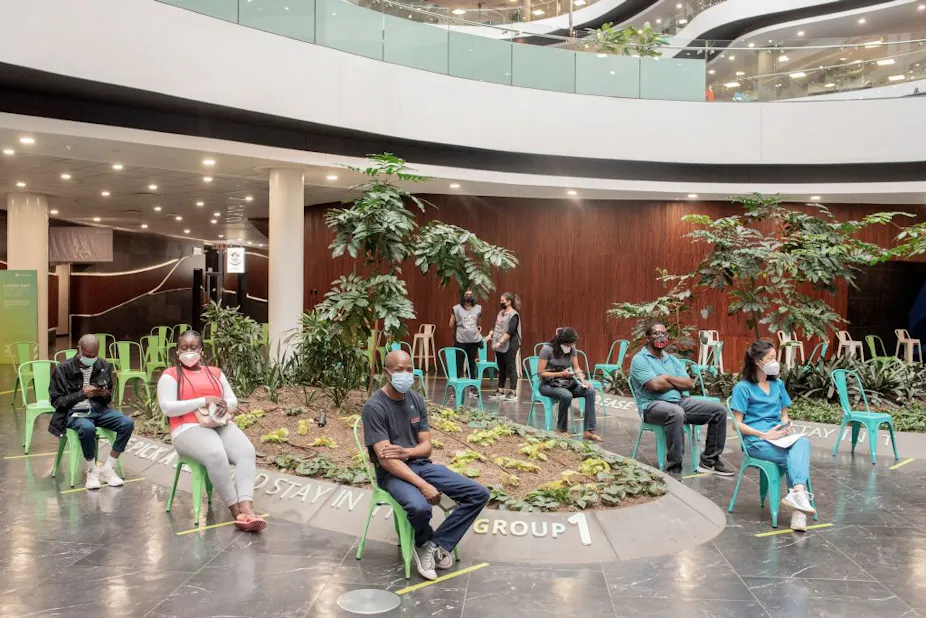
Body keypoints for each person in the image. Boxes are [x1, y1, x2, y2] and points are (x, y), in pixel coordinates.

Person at [363, 350, 490, 581]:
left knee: (478, 493)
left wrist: (407, 452)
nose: (405, 375)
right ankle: (423, 541)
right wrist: (423, 485)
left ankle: (433, 545)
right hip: (391, 473)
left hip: (421, 464)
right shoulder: (375, 407)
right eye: (399, 370)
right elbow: (386, 459)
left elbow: (426, 447)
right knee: (420, 508)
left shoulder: (416, 400)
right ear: (386, 372)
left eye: (409, 370)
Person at [157, 330, 266, 532]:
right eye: (184, 348)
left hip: (218, 422)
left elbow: (233, 401)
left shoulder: (215, 373)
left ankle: (247, 507)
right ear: (177, 351)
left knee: (246, 452)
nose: (189, 352)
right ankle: (237, 512)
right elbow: (167, 407)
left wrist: (224, 404)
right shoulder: (170, 375)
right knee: (216, 454)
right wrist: (203, 400)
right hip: (186, 428)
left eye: (193, 347)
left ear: (202, 350)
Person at [731, 340, 816, 531]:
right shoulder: (743, 388)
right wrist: (764, 434)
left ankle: (797, 495)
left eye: (775, 357)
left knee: (802, 442)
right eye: (770, 358)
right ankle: (799, 512)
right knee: (795, 460)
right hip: (756, 441)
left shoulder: (778, 384)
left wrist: (786, 425)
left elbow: (784, 414)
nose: (775, 362)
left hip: (779, 437)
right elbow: (736, 425)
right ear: (757, 361)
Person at [629, 323, 734, 476]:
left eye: (664, 333)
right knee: (675, 412)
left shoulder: (671, 359)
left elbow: (689, 384)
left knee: (719, 411)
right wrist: (675, 383)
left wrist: (666, 377)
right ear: (647, 338)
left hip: (680, 401)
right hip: (651, 406)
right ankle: (674, 468)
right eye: (657, 334)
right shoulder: (640, 359)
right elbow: (654, 386)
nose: (662, 337)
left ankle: (709, 461)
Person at [49, 334, 135, 490]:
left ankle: (108, 467)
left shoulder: (103, 365)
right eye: (87, 355)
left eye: (94, 356)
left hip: (98, 410)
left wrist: (104, 394)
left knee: (127, 423)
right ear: (79, 349)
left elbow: (108, 398)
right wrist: (83, 394)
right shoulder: (63, 369)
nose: (91, 359)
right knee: (87, 428)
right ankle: (92, 470)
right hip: (73, 413)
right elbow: (57, 402)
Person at [536, 327, 602, 442]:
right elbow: (540, 373)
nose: (571, 346)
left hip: (566, 383)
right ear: (562, 342)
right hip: (548, 384)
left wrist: (583, 381)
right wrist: (560, 374)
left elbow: (576, 368)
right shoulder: (547, 349)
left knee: (590, 391)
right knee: (566, 395)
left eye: (573, 344)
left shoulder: (572, 349)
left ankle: (589, 431)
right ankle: (561, 430)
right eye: (569, 344)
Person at [487, 292, 521, 401]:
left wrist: (500, 342)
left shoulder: (514, 315)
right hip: (499, 343)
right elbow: (495, 326)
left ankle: (513, 392)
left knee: (511, 367)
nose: (501, 302)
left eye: (503, 301)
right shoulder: (501, 313)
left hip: (510, 344)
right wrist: (490, 335)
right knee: (501, 367)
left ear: (509, 302)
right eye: (500, 300)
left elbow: (510, 331)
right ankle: (500, 390)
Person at [449, 289, 482, 381]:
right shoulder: (456, 308)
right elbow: (451, 324)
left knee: (472, 362)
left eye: (470, 294)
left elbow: (478, 323)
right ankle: (457, 383)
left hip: (473, 340)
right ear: (463, 296)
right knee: (459, 363)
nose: (469, 296)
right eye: (467, 294)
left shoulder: (478, 308)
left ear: (473, 296)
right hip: (461, 339)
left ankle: (472, 383)